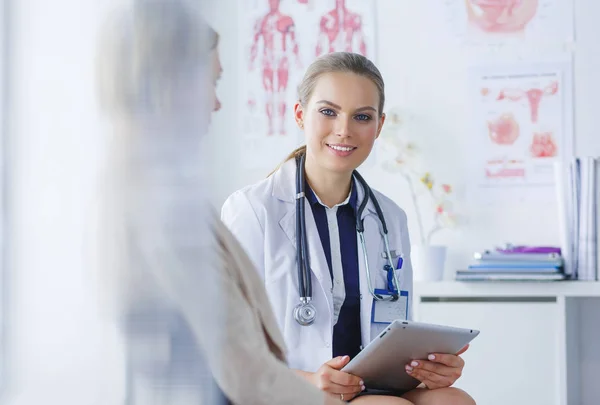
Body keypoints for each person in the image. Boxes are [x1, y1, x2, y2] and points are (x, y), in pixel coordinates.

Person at [96, 1, 345, 404]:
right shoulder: (161, 204)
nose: (216, 103)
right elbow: (242, 370)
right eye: (210, 82)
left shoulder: (152, 185)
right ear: (171, 82)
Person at [221, 52, 476, 405]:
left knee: (453, 399)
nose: (344, 129)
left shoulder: (389, 217)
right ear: (300, 115)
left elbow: (396, 331)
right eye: (328, 111)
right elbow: (222, 346)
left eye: (362, 117)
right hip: (289, 389)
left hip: (367, 387)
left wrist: (427, 369)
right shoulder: (252, 210)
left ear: (379, 126)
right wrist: (309, 380)